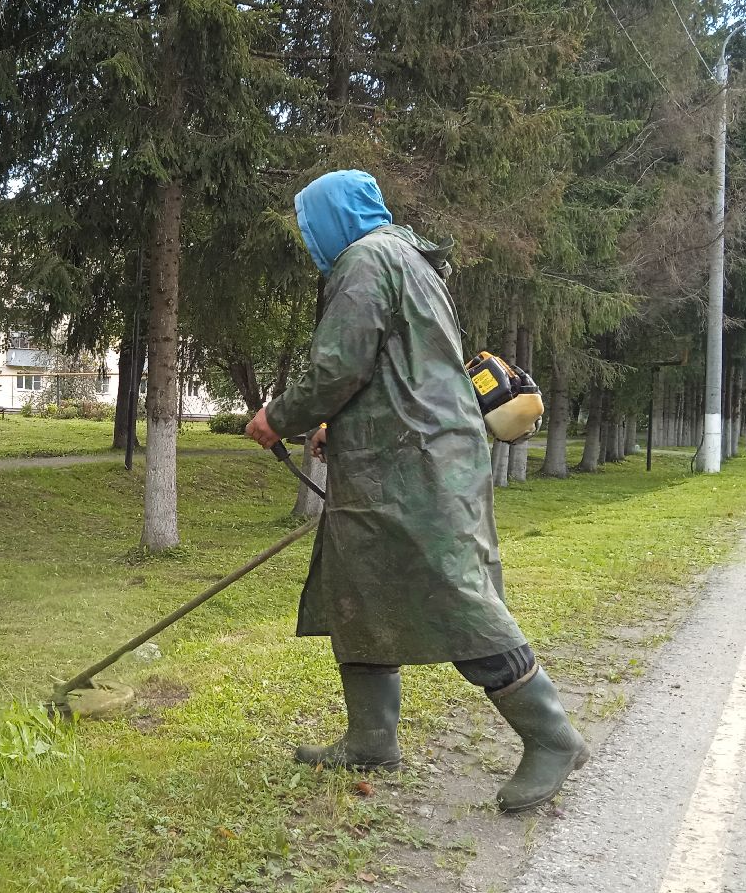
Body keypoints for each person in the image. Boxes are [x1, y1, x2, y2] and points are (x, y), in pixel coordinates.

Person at [245, 169, 589, 812]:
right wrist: (339, 429)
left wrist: (279, 418)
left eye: (310, 224)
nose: (308, 238)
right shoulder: (409, 260)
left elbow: (339, 365)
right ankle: (371, 739)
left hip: (417, 468)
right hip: (403, 456)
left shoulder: (364, 259)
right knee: (359, 588)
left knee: (458, 598)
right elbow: (401, 370)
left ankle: (552, 737)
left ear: (333, 218)